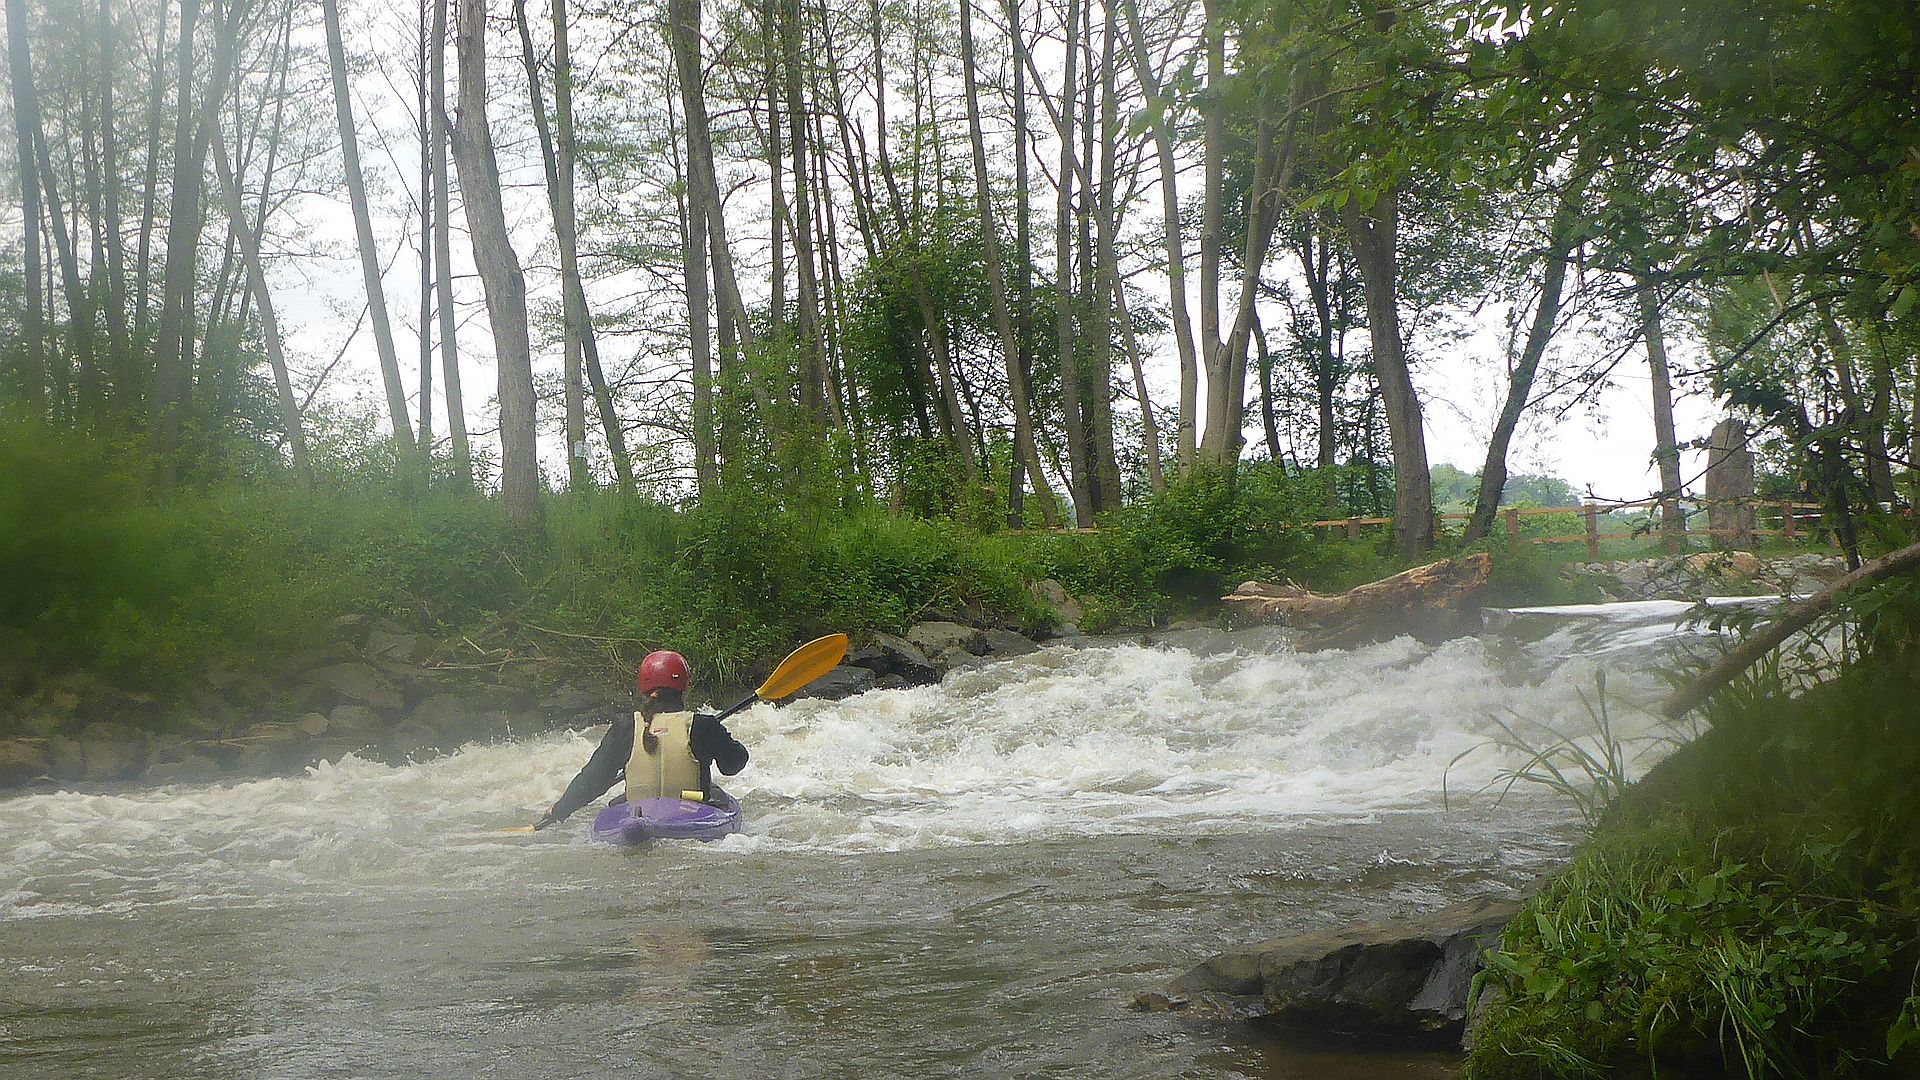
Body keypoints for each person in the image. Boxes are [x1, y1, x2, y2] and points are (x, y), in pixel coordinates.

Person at [533, 650, 748, 830]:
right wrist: (719, 738)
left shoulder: (625, 728)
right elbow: (733, 765)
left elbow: (593, 780)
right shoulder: (702, 725)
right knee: (715, 792)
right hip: (690, 818)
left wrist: (560, 809)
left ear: (644, 687)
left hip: (638, 820)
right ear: (683, 686)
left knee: (619, 801)